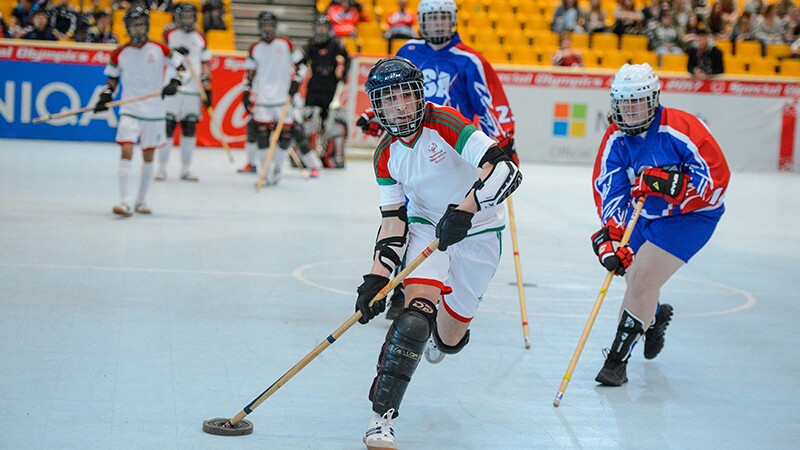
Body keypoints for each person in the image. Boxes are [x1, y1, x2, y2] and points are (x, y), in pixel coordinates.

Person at [354, 56, 522, 450]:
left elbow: (502, 168)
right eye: (388, 100)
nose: (399, 107)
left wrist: (465, 210)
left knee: (448, 340)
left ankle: (443, 339)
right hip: (428, 227)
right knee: (414, 322)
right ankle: (381, 420)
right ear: (377, 108)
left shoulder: (444, 123)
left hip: (480, 230)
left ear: (418, 96)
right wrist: (378, 276)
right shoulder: (385, 155)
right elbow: (394, 220)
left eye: (405, 97)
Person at [358, 0, 519, 320]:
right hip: (409, 143)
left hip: (453, 140)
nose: (437, 25)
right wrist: (370, 115)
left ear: (454, 20)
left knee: (447, 210)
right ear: (420, 21)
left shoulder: (469, 60)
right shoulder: (409, 50)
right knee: (408, 209)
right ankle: (408, 285)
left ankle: (439, 298)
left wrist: (502, 142)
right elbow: (391, 92)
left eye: (443, 18)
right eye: (431, 19)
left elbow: (489, 103)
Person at [590, 63, 729, 386]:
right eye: (623, 102)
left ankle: (616, 361)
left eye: (637, 101)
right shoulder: (616, 138)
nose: (630, 109)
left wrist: (676, 187)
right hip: (646, 216)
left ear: (653, 99)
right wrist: (612, 236)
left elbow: (717, 182)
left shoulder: (682, 128)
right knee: (630, 275)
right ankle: (652, 320)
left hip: (690, 217)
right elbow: (609, 189)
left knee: (641, 278)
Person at [93, 6, 185, 217]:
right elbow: (112, 79)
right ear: (127, 28)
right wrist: (105, 95)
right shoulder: (119, 53)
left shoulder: (159, 49)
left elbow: (182, 68)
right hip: (130, 109)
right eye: (134, 25)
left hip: (154, 110)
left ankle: (141, 200)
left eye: (142, 24)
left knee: (148, 155)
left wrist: (175, 82)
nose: (138, 29)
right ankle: (124, 202)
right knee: (126, 150)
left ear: (147, 26)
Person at [240, 11, 322, 183]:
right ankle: (265, 173)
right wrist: (246, 92)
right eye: (264, 24)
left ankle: (278, 170)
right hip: (263, 99)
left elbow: (302, 65)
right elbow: (249, 74)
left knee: (288, 134)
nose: (267, 28)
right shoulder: (255, 48)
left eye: (270, 24)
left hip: (283, 99)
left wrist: (296, 82)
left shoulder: (285, 44)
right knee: (261, 133)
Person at [156, 2, 212, 182]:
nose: (187, 19)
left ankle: (185, 170)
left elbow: (205, 62)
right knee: (168, 126)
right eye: (184, 16)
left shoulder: (201, 36)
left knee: (189, 128)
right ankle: (161, 168)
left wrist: (206, 83)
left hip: (193, 88)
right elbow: (162, 55)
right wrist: (175, 52)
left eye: (190, 16)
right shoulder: (169, 33)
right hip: (174, 86)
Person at [298, 15, 351, 169]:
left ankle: (331, 157)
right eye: (319, 26)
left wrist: (344, 74)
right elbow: (298, 62)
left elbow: (348, 59)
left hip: (330, 89)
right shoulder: (310, 45)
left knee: (333, 125)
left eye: (324, 27)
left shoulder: (335, 44)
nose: (321, 30)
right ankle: (306, 157)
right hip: (313, 89)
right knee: (309, 123)